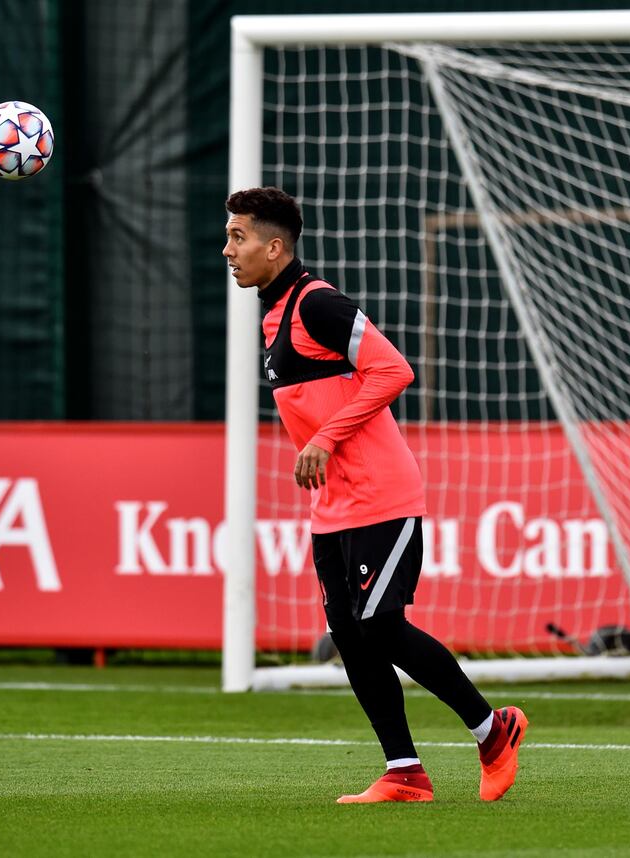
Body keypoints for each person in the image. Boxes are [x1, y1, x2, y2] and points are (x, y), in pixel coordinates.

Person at [223, 186, 528, 804]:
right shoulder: (273, 315)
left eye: (238, 237)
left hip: (382, 496)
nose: (228, 250)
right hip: (332, 505)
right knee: (350, 632)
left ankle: (492, 731)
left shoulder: (318, 303)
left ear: (274, 247)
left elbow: (393, 369)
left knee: (381, 627)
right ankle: (404, 772)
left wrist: (326, 440)